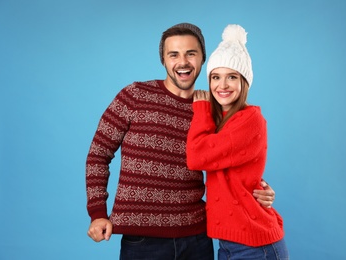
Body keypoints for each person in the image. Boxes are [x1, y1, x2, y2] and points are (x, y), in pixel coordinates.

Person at [86, 22, 276, 260]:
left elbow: (233, 160)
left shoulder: (215, 111)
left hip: (197, 238)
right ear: (163, 60)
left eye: (191, 53)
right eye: (173, 54)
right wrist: (97, 212)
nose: (183, 62)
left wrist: (259, 186)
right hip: (143, 241)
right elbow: (98, 155)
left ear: (203, 59)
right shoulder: (134, 96)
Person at [186, 24, 289, 260]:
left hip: (255, 246)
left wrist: (201, 111)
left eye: (231, 77)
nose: (222, 86)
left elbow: (196, 157)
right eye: (215, 77)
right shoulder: (220, 119)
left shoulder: (250, 119)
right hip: (229, 244)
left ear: (244, 81)